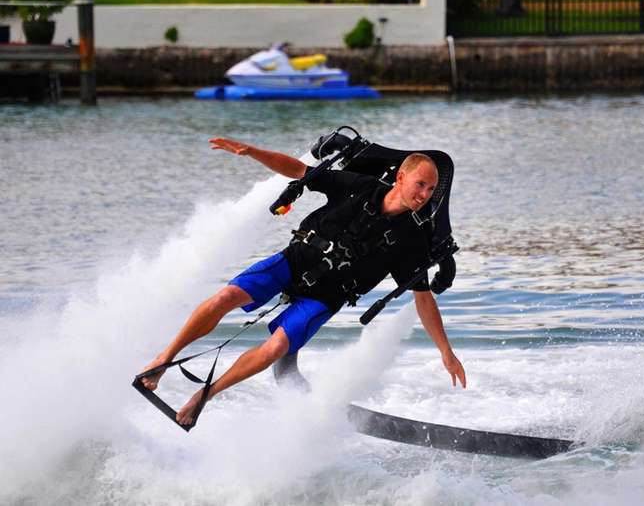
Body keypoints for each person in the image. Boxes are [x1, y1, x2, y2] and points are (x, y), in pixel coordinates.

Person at [140, 138, 467, 426]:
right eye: (420, 184)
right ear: (400, 178)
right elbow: (299, 170)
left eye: (430, 189)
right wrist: (252, 151)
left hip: (326, 296)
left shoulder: (412, 238)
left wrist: (446, 352)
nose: (424, 195)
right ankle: (163, 359)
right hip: (294, 261)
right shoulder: (360, 185)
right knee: (224, 298)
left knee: (278, 347)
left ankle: (206, 395)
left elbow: (423, 298)